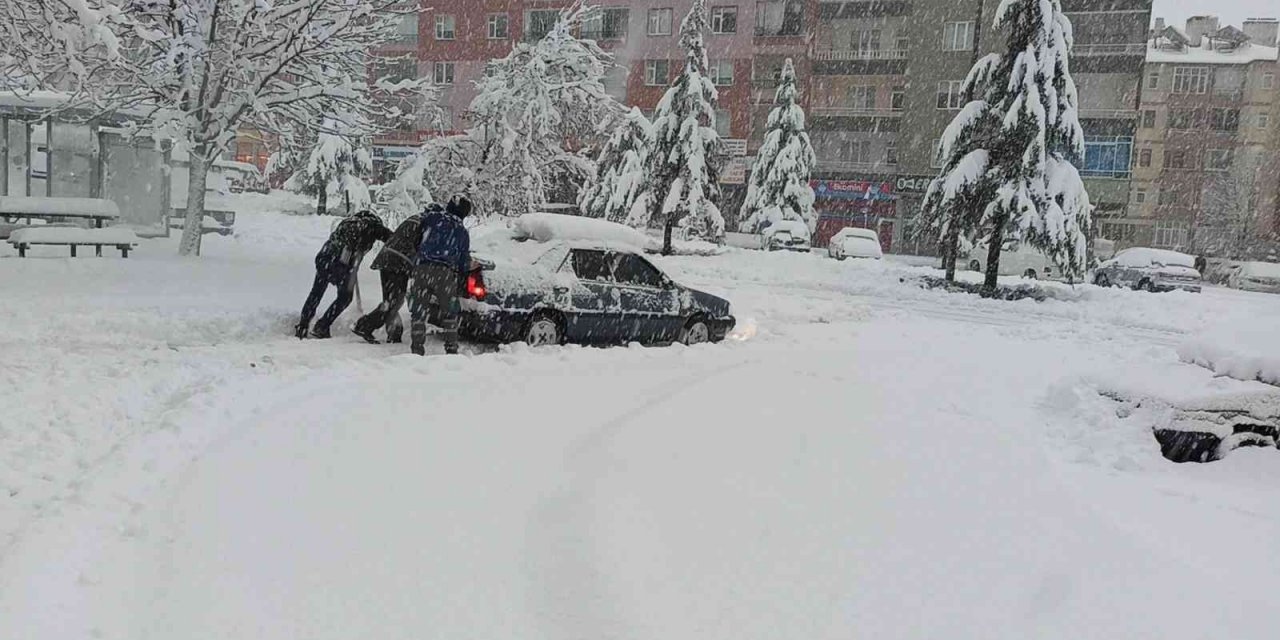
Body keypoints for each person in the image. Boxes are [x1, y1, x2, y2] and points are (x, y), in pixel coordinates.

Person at [350, 204, 441, 344]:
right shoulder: (426, 226)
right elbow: (424, 249)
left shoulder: (414, 219)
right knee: (394, 302)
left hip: (387, 260)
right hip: (398, 264)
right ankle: (364, 326)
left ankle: (394, 334)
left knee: (391, 300)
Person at [295, 210, 391, 339]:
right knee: (345, 297)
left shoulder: (347, 223)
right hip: (340, 264)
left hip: (324, 258)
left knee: (316, 292)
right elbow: (392, 238)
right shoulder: (373, 226)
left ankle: (303, 325)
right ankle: (322, 326)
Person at [409, 195, 472, 356]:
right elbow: (463, 261)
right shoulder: (461, 230)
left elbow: (416, 239)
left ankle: (417, 349)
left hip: (421, 269)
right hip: (444, 273)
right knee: (450, 312)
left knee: (418, 311)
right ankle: (451, 349)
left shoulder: (432, 218)